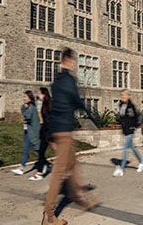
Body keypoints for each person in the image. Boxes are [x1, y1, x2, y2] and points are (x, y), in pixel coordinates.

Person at [42, 48, 101, 225]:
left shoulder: (57, 81)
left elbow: (56, 106)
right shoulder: (68, 80)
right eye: (73, 61)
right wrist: (91, 120)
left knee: (73, 164)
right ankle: (49, 216)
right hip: (65, 130)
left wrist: (51, 136)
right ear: (68, 61)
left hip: (58, 129)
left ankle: (82, 199)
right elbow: (77, 101)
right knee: (59, 172)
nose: (74, 64)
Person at [113, 90, 143, 176]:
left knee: (125, 149)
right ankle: (141, 163)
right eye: (122, 95)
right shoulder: (121, 105)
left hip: (131, 129)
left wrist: (133, 127)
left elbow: (134, 118)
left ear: (128, 96)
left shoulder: (131, 107)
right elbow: (123, 118)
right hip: (125, 130)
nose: (123, 96)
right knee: (133, 148)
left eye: (124, 95)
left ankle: (121, 168)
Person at [12, 91, 41, 175]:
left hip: (31, 133)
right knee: (26, 149)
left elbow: (27, 117)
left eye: (25, 97)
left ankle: (45, 163)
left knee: (37, 150)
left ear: (30, 98)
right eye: (24, 97)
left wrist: (22, 109)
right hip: (27, 131)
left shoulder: (32, 108)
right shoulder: (29, 107)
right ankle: (21, 167)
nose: (24, 98)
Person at [29, 87, 53, 180]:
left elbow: (49, 120)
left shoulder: (49, 105)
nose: (38, 95)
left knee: (41, 151)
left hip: (47, 132)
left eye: (40, 94)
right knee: (41, 151)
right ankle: (44, 167)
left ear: (44, 94)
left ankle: (40, 172)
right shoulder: (43, 104)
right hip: (44, 131)